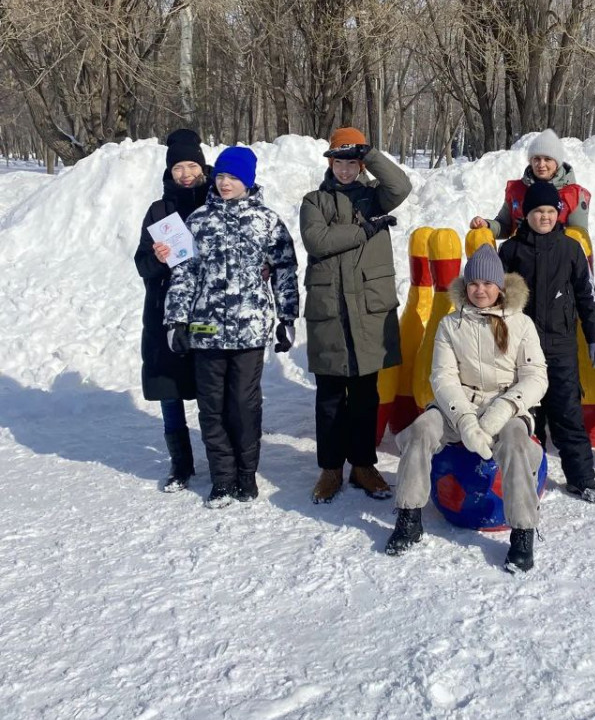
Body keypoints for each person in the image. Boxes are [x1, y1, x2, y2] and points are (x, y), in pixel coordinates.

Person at [385, 244, 549, 573]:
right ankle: (409, 517)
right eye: (473, 283)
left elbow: (536, 377)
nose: (480, 290)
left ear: (499, 286)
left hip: (507, 404)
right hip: (459, 403)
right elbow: (443, 377)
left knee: (516, 444)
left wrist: (501, 411)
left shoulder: (521, 323)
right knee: (420, 431)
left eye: (487, 283)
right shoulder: (450, 324)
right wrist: (466, 422)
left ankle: (522, 531)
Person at [164, 146, 299, 508]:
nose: (225, 183)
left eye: (234, 178)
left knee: (243, 405)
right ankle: (222, 478)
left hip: (249, 331)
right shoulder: (197, 221)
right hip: (205, 331)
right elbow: (184, 273)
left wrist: (287, 319)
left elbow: (285, 272)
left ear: (248, 181)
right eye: (221, 176)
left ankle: (246, 473)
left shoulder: (267, 222)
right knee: (212, 408)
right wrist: (176, 320)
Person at [299, 127, 412, 504]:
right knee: (330, 397)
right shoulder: (314, 201)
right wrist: (364, 231)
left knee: (365, 395)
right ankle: (331, 469)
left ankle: (363, 465)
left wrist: (372, 152)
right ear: (330, 163)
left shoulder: (375, 197)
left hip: (367, 309)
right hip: (330, 309)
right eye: (339, 162)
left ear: (361, 165)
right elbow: (317, 241)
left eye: (352, 163)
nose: (345, 170)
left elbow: (401, 186)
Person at [497, 180, 595, 502]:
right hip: (522, 349)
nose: (544, 217)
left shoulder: (570, 249)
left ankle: (582, 478)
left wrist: (594, 335)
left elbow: (586, 295)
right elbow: (497, 300)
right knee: (528, 416)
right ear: (525, 214)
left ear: (558, 213)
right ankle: (531, 475)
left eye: (549, 211)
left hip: (560, 347)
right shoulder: (511, 251)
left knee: (568, 412)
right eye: (537, 211)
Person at [134, 129, 211, 492]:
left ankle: (220, 460)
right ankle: (180, 464)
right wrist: (156, 257)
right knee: (169, 388)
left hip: (208, 313)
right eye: (178, 167)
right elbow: (141, 265)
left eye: (191, 165)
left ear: (202, 167)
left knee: (211, 387)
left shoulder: (217, 203)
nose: (185, 173)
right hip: (164, 312)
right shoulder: (158, 211)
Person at [469, 128, 590, 239]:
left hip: (558, 253)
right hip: (521, 252)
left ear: (557, 163)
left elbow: (580, 237)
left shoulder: (573, 194)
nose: (541, 164)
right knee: (478, 237)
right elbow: (504, 226)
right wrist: (487, 225)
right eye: (536, 159)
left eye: (547, 159)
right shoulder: (516, 190)